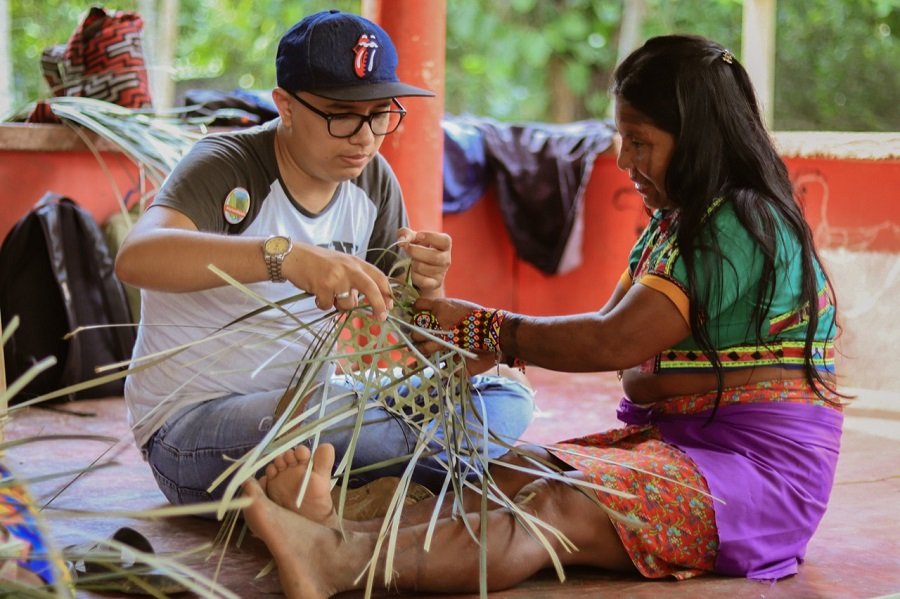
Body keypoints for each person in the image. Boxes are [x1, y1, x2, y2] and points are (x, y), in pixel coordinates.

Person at [239, 34, 845, 597]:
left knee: (553, 503)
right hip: (682, 449)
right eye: (622, 139)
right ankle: (336, 535)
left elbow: (614, 342)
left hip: (753, 482)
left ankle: (340, 564)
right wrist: (477, 334)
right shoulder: (676, 223)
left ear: (697, 137)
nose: (626, 160)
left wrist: (488, 330)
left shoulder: (741, 221)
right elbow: (604, 327)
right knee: (507, 470)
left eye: (641, 142)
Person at [115, 9, 534, 507]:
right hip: (192, 431)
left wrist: (430, 291)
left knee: (506, 397)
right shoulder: (227, 163)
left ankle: (332, 496)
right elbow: (138, 257)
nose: (365, 136)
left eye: (381, 113)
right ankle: (386, 486)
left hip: (319, 411)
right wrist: (284, 257)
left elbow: (412, 332)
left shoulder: (372, 181)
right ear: (286, 106)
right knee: (342, 417)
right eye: (342, 114)